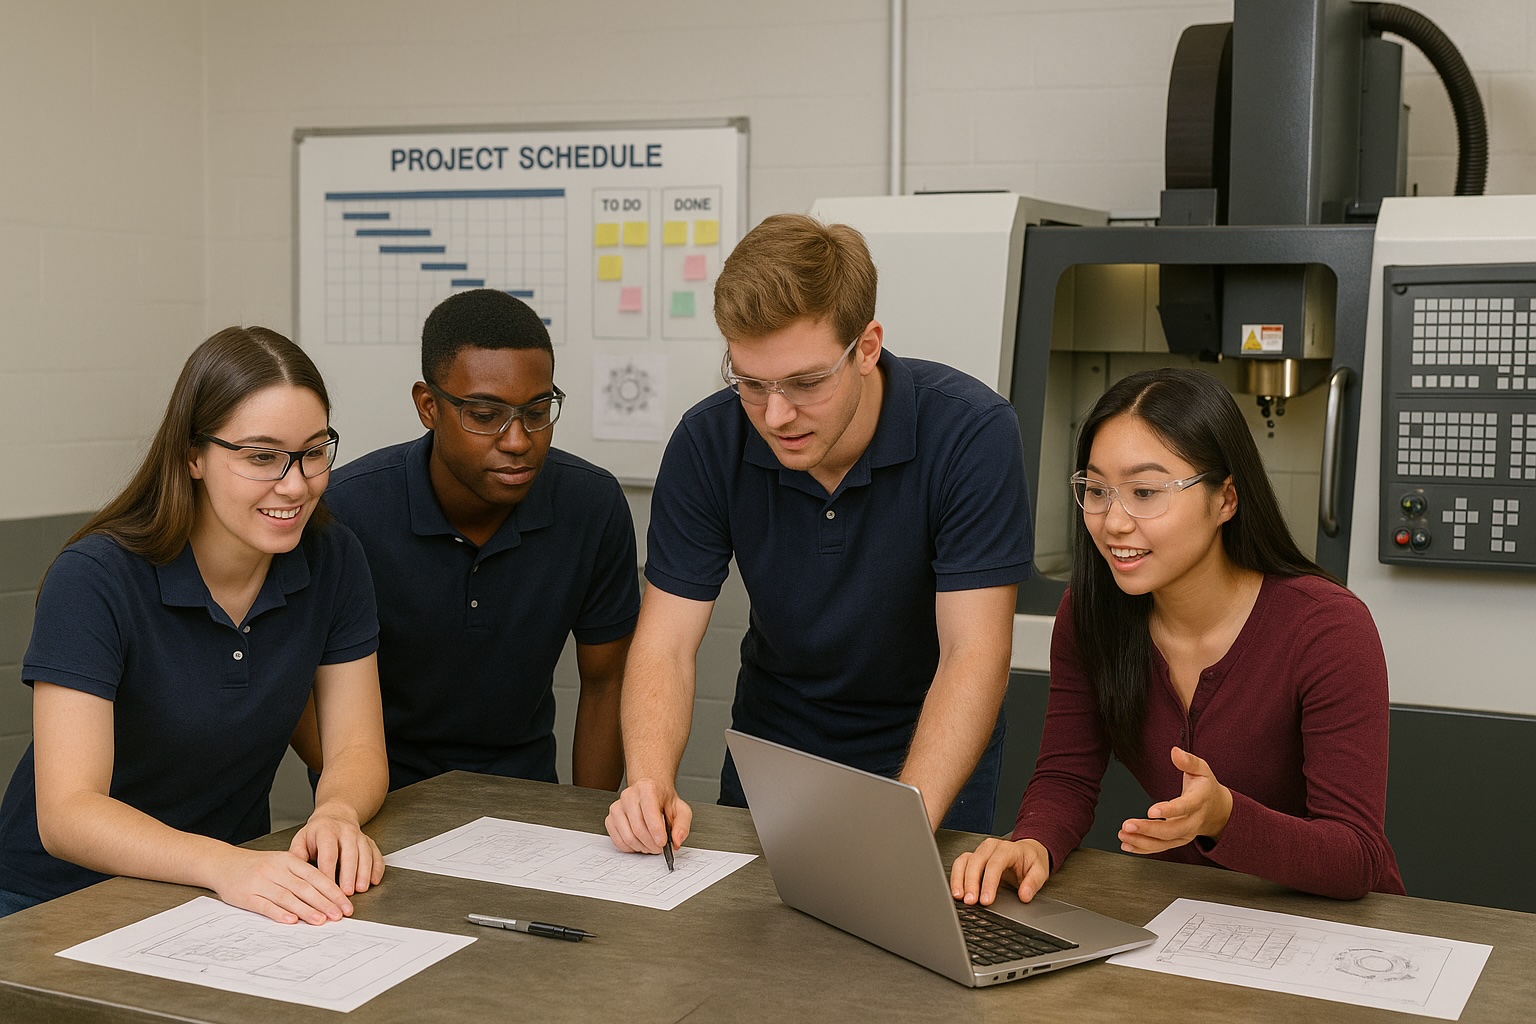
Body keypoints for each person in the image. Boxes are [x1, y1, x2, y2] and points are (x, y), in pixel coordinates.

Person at [605, 213, 1033, 855]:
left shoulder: (970, 434)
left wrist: (904, 821)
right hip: (772, 758)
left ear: (866, 347)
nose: (776, 416)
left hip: (928, 761)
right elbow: (664, 644)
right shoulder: (708, 441)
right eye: (751, 383)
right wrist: (646, 780)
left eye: (805, 383)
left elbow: (973, 653)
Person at [951, 367, 1404, 906]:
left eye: (1144, 492)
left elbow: (1356, 856)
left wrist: (1225, 818)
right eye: (1096, 490)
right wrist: (1032, 843)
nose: (1113, 522)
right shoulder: (1092, 610)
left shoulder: (1327, 628)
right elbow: (1066, 777)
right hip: (1188, 921)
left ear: (1225, 500)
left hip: (1336, 932)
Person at [0, 327, 388, 924]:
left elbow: (357, 747)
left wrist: (335, 811)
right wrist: (226, 866)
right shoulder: (95, 578)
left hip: (219, 900)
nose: (295, 483)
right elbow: (68, 813)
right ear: (193, 455)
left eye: (313, 451)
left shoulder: (333, 558)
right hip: (52, 902)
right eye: (261, 456)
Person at [305, 288, 640, 792]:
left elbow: (606, 682)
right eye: (484, 416)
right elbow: (301, 685)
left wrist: (588, 823)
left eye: (537, 410)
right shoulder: (347, 512)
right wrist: (350, 800)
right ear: (427, 406)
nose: (518, 440)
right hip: (379, 793)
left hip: (526, 792)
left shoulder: (591, 505)